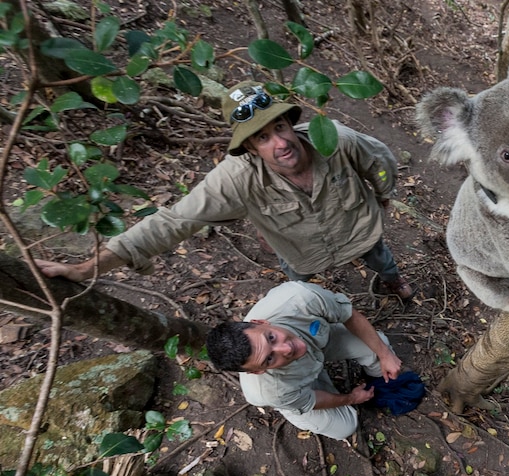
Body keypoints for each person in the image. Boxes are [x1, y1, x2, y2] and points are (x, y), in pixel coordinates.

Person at [35, 81, 414, 299]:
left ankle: (393, 282)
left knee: (381, 258)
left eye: (279, 128)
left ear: (288, 123)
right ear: (249, 148)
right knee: (299, 288)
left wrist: (383, 195)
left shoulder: (336, 139)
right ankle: (311, 304)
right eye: (262, 138)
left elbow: (381, 164)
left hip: (359, 232)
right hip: (302, 252)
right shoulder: (236, 177)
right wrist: (85, 269)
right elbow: (171, 222)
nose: (279, 143)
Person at [206, 281, 402, 440]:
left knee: (379, 346)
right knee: (346, 426)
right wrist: (352, 398)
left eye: (271, 337)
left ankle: (379, 381)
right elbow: (312, 400)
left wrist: (386, 355)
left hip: (319, 345)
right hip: (291, 384)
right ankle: (300, 399)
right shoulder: (272, 391)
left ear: (261, 322)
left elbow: (349, 315)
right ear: (258, 371)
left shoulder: (300, 299)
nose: (286, 348)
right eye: (269, 358)